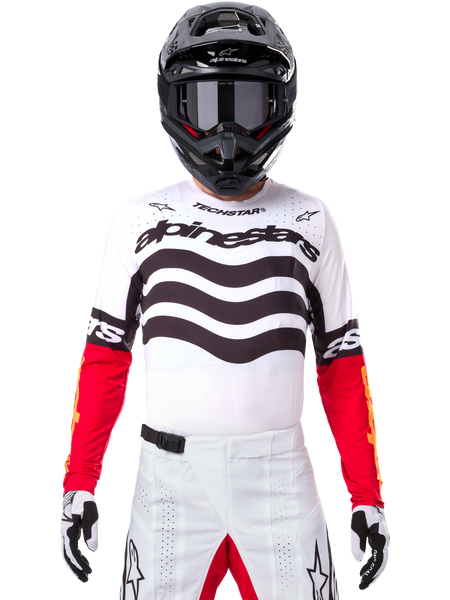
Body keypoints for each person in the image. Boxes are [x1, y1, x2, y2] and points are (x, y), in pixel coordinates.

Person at [58, 1, 393, 598]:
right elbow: (105, 359)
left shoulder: (314, 219)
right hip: (171, 479)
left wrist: (367, 495)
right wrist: (79, 482)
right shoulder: (135, 219)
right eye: (209, 106)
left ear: (281, 104)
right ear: (173, 105)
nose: (228, 134)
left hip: (278, 475)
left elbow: (342, 366)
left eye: (247, 106)